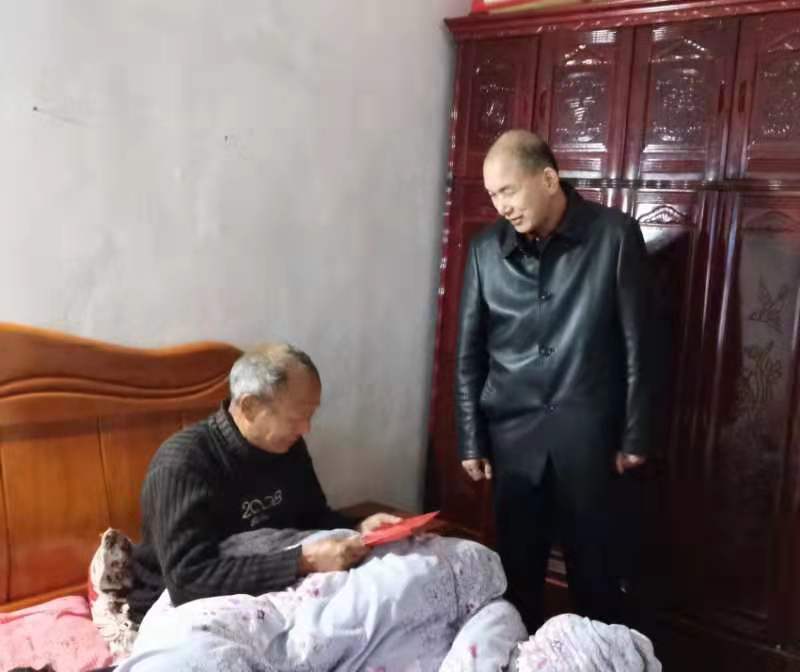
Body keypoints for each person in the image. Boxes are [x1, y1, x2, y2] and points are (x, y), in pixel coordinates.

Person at [455, 129, 652, 630]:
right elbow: (469, 352)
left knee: (597, 579)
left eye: (509, 191)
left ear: (547, 179)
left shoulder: (614, 236)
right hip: (513, 440)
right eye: (493, 195)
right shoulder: (484, 250)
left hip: (589, 440)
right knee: (516, 578)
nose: (501, 206)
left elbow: (640, 344)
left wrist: (635, 435)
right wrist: (471, 437)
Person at [128, 344, 400, 622]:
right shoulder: (183, 463)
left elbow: (313, 518)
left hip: (274, 585)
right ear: (249, 406)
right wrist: (303, 561)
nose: (306, 429)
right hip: (184, 604)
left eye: (310, 416)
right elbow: (187, 581)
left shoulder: (288, 447)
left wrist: (358, 527)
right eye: (296, 418)